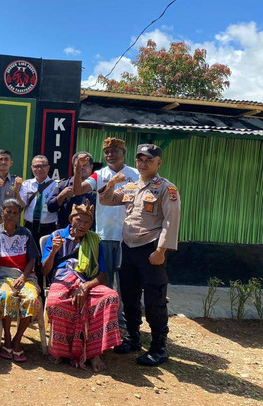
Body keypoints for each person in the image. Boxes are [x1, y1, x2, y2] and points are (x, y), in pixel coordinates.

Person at [99, 144, 181, 367]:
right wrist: (112, 184)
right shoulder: (131, 187)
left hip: (150, 249)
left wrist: (161, 250)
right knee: (129, 296)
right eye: (140, 159)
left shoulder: (166, 188)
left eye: (149, 160)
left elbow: (171, 221)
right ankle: (133, 338)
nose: (143, 163)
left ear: (158, 163)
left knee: (155, 299)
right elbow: (106, 200)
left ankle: (158, 348)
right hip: (129, 248)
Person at [43, 201, 121, 372]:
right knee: (55, 303)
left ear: (91, 225)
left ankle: (94, 353)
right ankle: (59, 350)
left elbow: (102, 275)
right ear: (71, 219)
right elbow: (44, 270)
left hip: (87, 280)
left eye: (87, 222)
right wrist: (54, 252)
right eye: (78, 220)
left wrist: (85, 287)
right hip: (62, 279)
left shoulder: (94, 240)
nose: (82, 225)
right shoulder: (56, 236)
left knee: (110, 297)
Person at [73, 137, 139, 330]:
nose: (110, 154)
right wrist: (78, 168)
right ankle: (107, 320)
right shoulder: (99, 174)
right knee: (106, 281)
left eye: (114, 151)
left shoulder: (134, 174)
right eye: (107, 152)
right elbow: (78, 190)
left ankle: (124, 324)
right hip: (104, 235)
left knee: (128, 283)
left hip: (128, 236)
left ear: (123, 153)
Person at [0, 199, 40, 362]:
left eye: (15, 212)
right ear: (1, 211)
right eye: (8, 211)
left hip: (25, 276)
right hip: (2, 276)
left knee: (31, 298)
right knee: (6, 296)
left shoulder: (25, 233)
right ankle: (8, 337)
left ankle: (18, 338)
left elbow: (32, 259)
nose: (11, 215)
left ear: (19, 215)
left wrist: (24, 277)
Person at [48, 151, 97, 229]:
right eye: (77, 165)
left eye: (85, 165)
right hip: (67, 231)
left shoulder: (98, 185)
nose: (81, 168)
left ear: (91, 167)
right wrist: (62, 195)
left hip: (90, 233)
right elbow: (51, 208)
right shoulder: (63, 184)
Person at [19, 155, 58, 242]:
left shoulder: (56, 185)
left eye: (43, 166)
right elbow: (21, 204)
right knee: (29, 254)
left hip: (49, 227)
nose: (39, 169)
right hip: (30, 226)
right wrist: (15, 190)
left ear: (48, 168)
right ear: (32, 168)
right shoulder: (26, 184)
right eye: (36, 166)